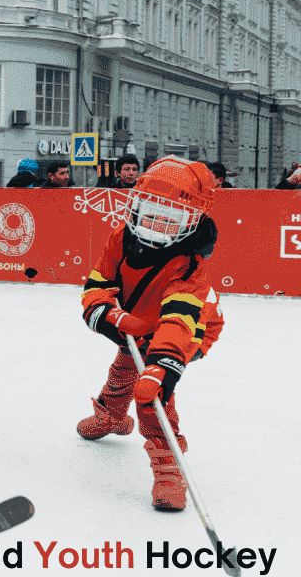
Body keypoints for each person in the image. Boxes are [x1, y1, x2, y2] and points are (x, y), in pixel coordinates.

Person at [78, 155, 224, 510]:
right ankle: (112, 415)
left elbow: (177, 320)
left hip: (190, 328)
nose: (156, 222)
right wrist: (110, 313)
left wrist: (162, 364)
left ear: (191, 220)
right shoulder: (121, 237)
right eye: (149, 208)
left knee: (151, 392)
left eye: (170, 216)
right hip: (140, 320)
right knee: (126, 363)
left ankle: (169, 466)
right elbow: (97, 284)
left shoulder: (188, 267)